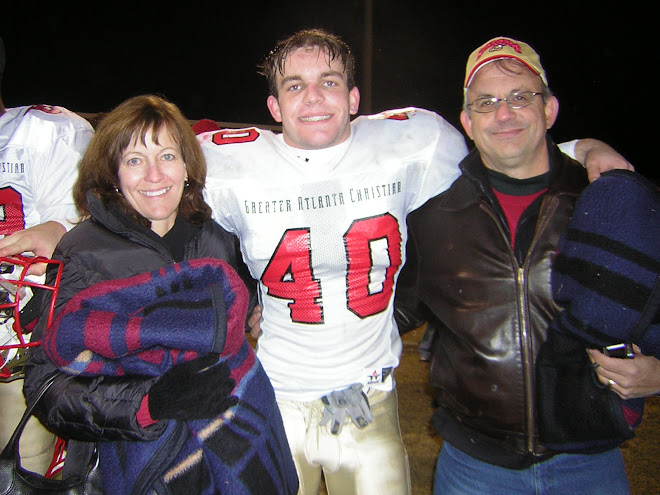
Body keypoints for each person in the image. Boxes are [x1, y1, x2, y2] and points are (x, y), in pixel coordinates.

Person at [196, 29, 634, 495]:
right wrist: (237, 307)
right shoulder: (226, 162)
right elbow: (152, 199)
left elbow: (500, 163)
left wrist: (579, 150)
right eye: (294, 86)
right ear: (274, 107)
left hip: (370, 392)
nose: (314, 97)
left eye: (329, 81)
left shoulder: (414, 140)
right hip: (274, 392)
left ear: (354, 97)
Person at [395, 36, 660, 494]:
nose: (504, 113)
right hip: (473, 468)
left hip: (589, 466)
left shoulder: (608, 203)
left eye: (521, 97)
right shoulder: (431, 212)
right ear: (467, 122)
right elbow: (390, 305)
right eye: (486, 102)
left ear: (549, 109)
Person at [22, 94, 298, 494]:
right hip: (129, 463)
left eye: (167, 156)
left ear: (187, 166)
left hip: (226, 455)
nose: (154, 175)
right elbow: (46, 386)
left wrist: (256, 310)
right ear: (113, 173)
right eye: (135, 160)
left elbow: (240, 312)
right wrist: (147, 403)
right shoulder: (83, 252)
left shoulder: (217, 238)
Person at [0, 35, 94, 475]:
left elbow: (95, 241)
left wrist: (62, 228)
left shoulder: (45, 132)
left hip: (17, 338)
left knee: (24, 459)